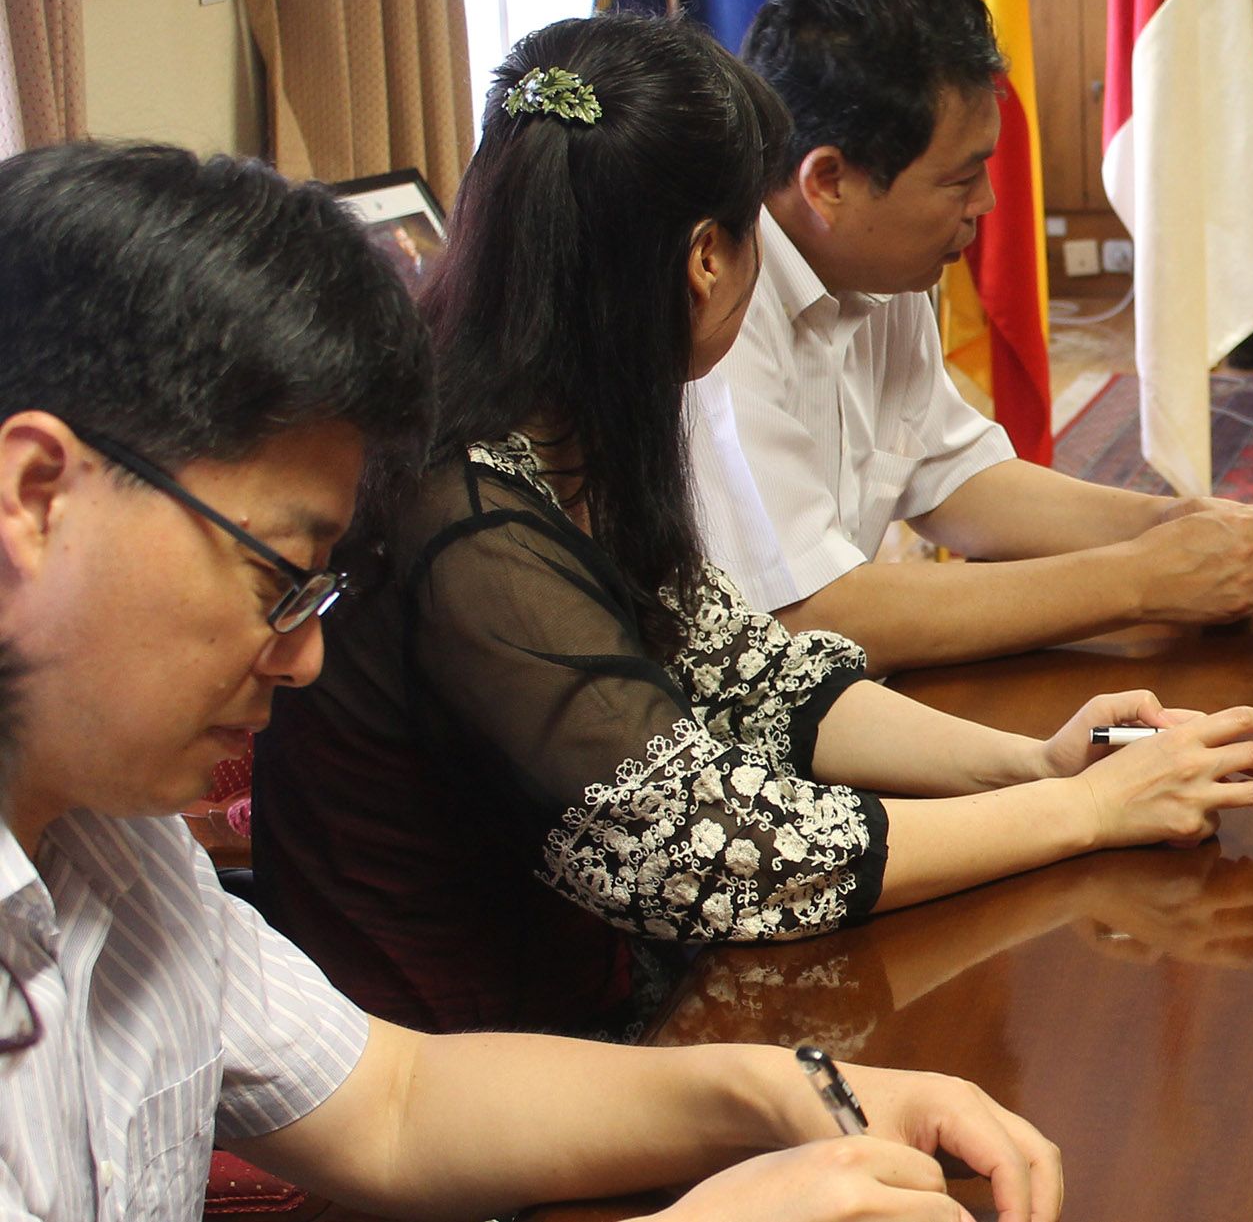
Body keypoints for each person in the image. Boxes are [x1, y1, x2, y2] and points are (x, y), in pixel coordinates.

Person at [0, 141, 1060, 1221]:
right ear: (38, 496)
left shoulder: (113, 840)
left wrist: (789, 1089)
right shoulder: (465, 512)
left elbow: (394, 1102)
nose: (306, 654)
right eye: (278, 577)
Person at [256, 12, 1253, 1036]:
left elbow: (754, 676)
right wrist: (1084, 815)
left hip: (588, 1003)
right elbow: (723, 854)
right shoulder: (467, 515)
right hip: (475, 1080)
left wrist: (1040, 762)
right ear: (707, 258)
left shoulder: (561, 428)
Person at [687, 0, 1253, 674]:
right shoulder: (713, 309)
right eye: (960, 178)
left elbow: (949, 475)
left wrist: (1163, 524)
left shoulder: (876, 260)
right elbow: (805, 617)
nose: (986, 203)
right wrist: (1139, 579)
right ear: (827, 180)